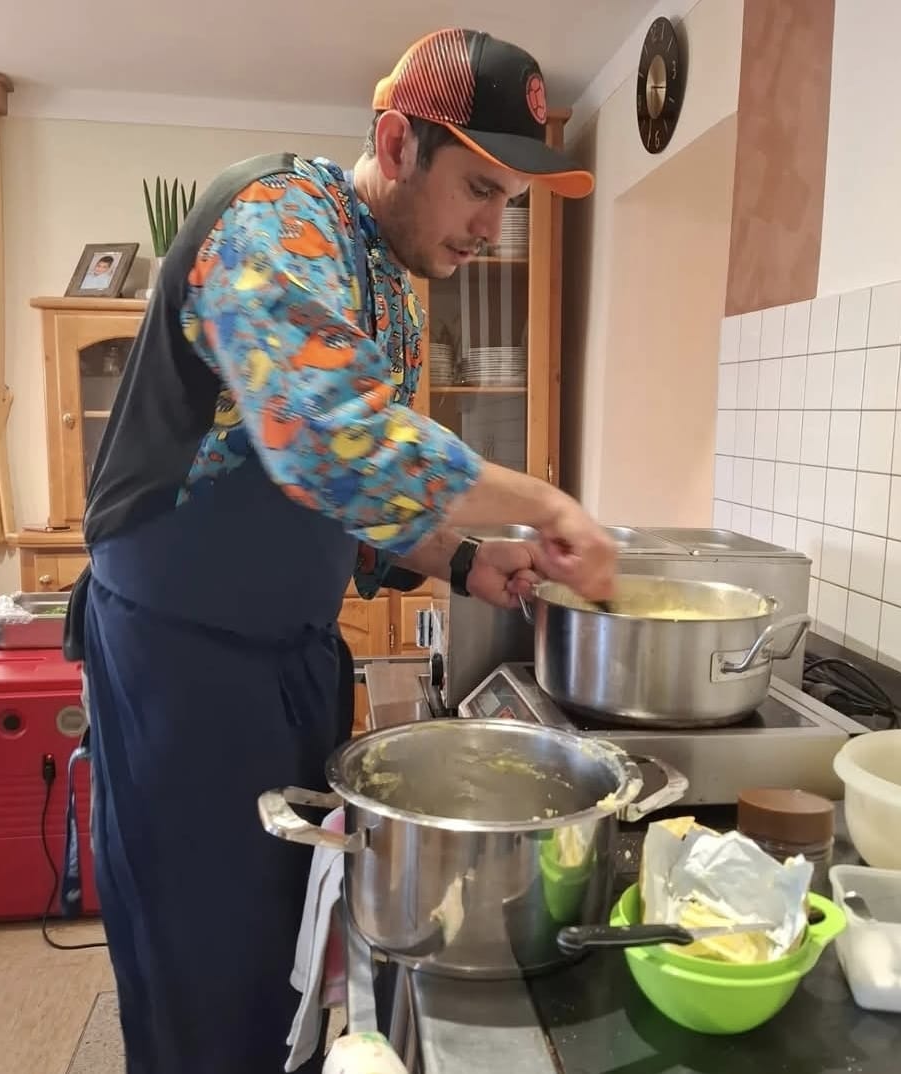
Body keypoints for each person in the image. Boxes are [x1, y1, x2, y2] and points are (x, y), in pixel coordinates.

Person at [65, 26, 616, 1074]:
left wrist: (464, 559)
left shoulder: (392, 293)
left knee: (287, 944)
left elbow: (354, 494)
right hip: (183, 667)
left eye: (509, 201)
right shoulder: (275, 218)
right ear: (397, 143)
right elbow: (328, 434)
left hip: (289, 659)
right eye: (478, 189)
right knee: (204, 966)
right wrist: (545, 502)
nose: (490, 227)